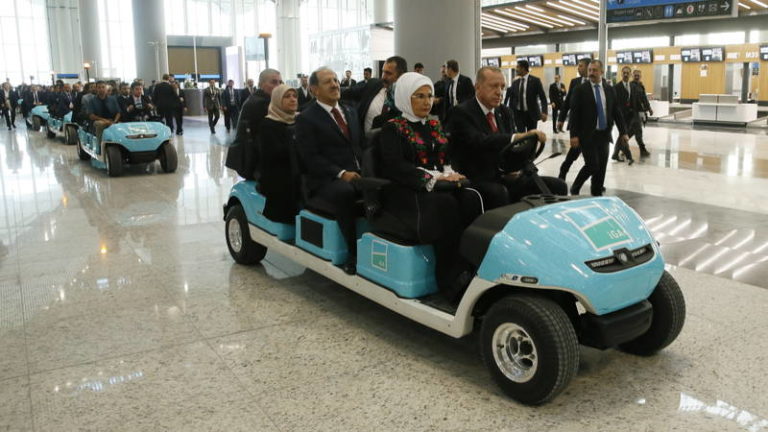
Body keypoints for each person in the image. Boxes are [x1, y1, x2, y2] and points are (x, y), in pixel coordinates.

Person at [378, 72, 481, 303]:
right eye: (419, 96)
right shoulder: (393, 128)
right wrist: (433, 180)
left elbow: (444, 158)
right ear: (405, 97)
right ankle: (449, 280)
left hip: (438, 187)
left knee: (471, 197)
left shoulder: (434, 124)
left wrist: (450, 173)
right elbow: (396, 167)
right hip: (406, 190)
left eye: (429, 96)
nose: (426, 102)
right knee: (445, 205)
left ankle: (471, 268)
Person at [448, 66, 567, 210]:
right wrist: (516, 137)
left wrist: (523, 157)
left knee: (558, 186)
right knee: (499, 193)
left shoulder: (504, 112)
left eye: (502, 87)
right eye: (494, 86)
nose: (499, 92)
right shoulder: (461, 112)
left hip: (507, 175)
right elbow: (480, 141)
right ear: (477, 87)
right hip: (477, 176)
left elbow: (513, 148)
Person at [295, 67, 363, 275]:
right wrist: (342, 173)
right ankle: (353, 253)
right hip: (325, 180)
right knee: (346, 192)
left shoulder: (350, 110)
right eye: (328, 82)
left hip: (358, 173)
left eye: (335, 79)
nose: (335, 84)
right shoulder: (307, 118)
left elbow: (360, 146)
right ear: (314, 89)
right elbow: (311, 158)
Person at [568, 60, 629, 196]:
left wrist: (623, 132)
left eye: (595, 70)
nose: (591, 73)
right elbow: (574, 114)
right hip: (587, 135)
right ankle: (575, 187)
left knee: (601, 168)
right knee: (592, 165)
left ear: (602, 72)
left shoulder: (609, 89)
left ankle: (596, 193)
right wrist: (573, 135)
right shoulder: (580, 90)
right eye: (590, 70)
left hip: (604, 135)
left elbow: (616, 112)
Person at [225, 68, 282, 180]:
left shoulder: (258, 98)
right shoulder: (261, 103)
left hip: (251, 160)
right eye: (274, 82)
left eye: (280, 82)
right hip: (254, 165)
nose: (278, 86)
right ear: (261, 84)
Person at [258, 84, 300, 223]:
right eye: (287, 96)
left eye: (294, 96)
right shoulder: (268, 123)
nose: (293, 99)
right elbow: (275, 154)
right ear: (277, 100)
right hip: (278, 174)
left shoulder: (299, 120)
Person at [342, 56, 406, 140]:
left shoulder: (408, 98)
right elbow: (350, 93)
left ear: (401, 75)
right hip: (365, 144)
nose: (383, 77)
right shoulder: (373, 84)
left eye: (388, 73)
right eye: (383, 72)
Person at [557, 57, 590, 180]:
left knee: (591, 156)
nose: (578, 68)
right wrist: (561, 119)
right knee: (574, 152)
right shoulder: (575, 82)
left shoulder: (596, 83)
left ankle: (596, 181)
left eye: (581, 65)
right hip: (577, 124)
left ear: (588, 67)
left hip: (591, 126)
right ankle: (563, 172)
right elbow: (567, 102)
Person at [505, 59, 548, 132]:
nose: (516, 69)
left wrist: (544, 111)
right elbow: (512, 99)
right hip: (518, 115)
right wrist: (510, 113)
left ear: (523, 68)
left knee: (531, 136)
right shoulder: (515, 83)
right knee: (521, 137)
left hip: (531, 114)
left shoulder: (535, 81)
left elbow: (543, 97)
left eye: (518, 67)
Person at [612, 66, 637, 164]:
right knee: (623, 134)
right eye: (624, 73)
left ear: (630, 74)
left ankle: (615, 154)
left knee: (623, 135)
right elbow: (614, 103)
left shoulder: (633, 86)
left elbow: (635, 100)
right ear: (621, 74)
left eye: (627, 73)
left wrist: (640, 111)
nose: (626, 74)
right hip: (620, 116)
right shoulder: (616, 87)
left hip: (630, 115)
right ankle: (629, 157)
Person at [87, 81, 121, 146]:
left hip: (112, 120)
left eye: (103, 87)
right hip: (99, 121)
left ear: (106, 88)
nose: (101, 89)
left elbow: (118, 112)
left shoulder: (112, 99)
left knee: (121, 124)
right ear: (96, 89)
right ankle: (100, 146)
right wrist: (105, 120)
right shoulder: (92, 100)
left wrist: (115, 121)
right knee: (100, 124)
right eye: (99, 87)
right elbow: (91, 116)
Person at [631, 69, 653, 158]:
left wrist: (649, 108)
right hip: (633, 112)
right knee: (637, 131)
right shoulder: (630, 85)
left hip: (640, 112)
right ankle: (642, 150)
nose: (636, 77)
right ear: (632, 76)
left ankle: (620, 150)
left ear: (640, 76)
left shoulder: (641, 86)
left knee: (631, 132)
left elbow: (644, 99)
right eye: (635, 75)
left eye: (638, 75)